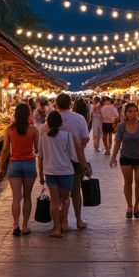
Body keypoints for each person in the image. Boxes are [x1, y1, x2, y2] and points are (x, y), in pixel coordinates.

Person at [37, 111, 89, 238]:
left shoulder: (43, 137)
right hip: (66, 171)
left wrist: (41, 175)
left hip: (50, 172)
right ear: (60, 123)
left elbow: (40, 156)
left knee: (54, 201)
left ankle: (56, 227)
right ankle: (64, 223)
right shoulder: (67, 136)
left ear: (48, 122)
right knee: (65, 200)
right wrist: (83, 166)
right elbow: (72, 155)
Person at [0, 104, 38, 236]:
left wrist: (1, 168)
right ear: (28, 114)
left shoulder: (9, 130)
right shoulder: (33, 130)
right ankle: (25, 226)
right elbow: (37, 149)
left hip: (14, 164)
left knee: (16, 197)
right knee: (27, 197)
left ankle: (15, 225)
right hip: (29, 164)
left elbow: (4, 150)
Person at [53, 93, 90, 230]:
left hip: (56, 160)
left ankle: (62, 222)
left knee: (57, 195)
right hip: (75, 160)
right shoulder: (79, 118)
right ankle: (78, 220)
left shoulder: (52, 118)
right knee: (75, 192)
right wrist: (77, 147)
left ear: (56, 104)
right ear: (71, 104)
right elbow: (86, 138)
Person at [111, 103, 139, 219]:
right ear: (126, 113)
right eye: (130, 111)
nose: (132, 113)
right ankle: (129, 206)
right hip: (126, 157)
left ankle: (137, 205)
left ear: (138, 112)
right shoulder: (122, 126)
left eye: (134, 111)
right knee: (128, 182)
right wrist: (113, 157)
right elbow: (117, 142)